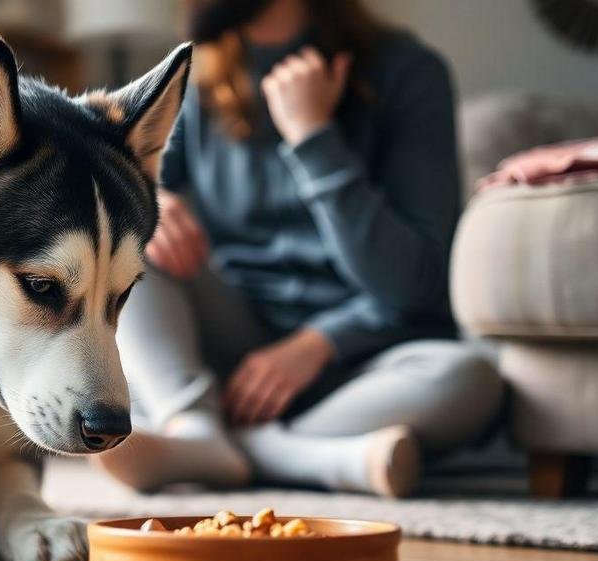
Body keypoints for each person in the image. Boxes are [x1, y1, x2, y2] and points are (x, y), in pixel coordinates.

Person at [95, 0, 504, 498]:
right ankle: (206, 428)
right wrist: (151, 201)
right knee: (126, 240)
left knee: (470, 379)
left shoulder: (409, 74)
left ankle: (227, 446)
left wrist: (312, 137)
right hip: (232, 344)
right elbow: (139, 198)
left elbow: (413, 283)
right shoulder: (196, 80)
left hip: (360, 362)